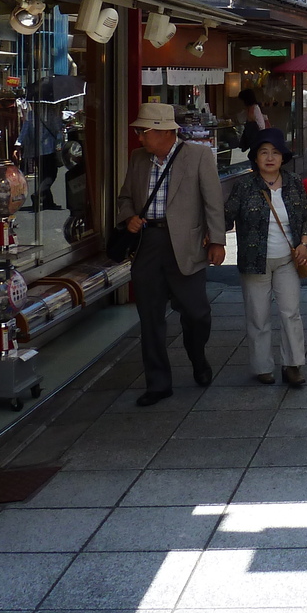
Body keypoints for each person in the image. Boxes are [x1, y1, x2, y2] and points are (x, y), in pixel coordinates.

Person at [113, 103, 226, 405]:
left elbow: (213, 202)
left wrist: (217, 241)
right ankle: (158, 382)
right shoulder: (139, 159)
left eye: (143, 131)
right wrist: (129, 217)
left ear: (164, 131)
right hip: (148, 242)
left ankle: (197, 356)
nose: (139, 137)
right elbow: (124, 197)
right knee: (150, 317)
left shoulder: (199, 156)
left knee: (197, 313)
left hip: (186, 245)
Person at [225, 128, 307, 387]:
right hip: (255, 261)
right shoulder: (243, 185)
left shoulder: (294, 181)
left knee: (290, 313)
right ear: (255, 157)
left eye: (275, 152)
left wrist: (304, 244)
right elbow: (226, 216)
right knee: (258, 316)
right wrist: (210, 235)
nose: (270, 157)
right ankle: (262, 366)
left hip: (288, 259)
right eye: (264, 152)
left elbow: (305, 217)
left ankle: (293, 364)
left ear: (283, 157)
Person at [237, 88, 266, 157]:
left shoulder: (254, 108)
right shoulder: (250, 108)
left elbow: (260, 125)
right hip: (254, 137)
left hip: (256, 138)